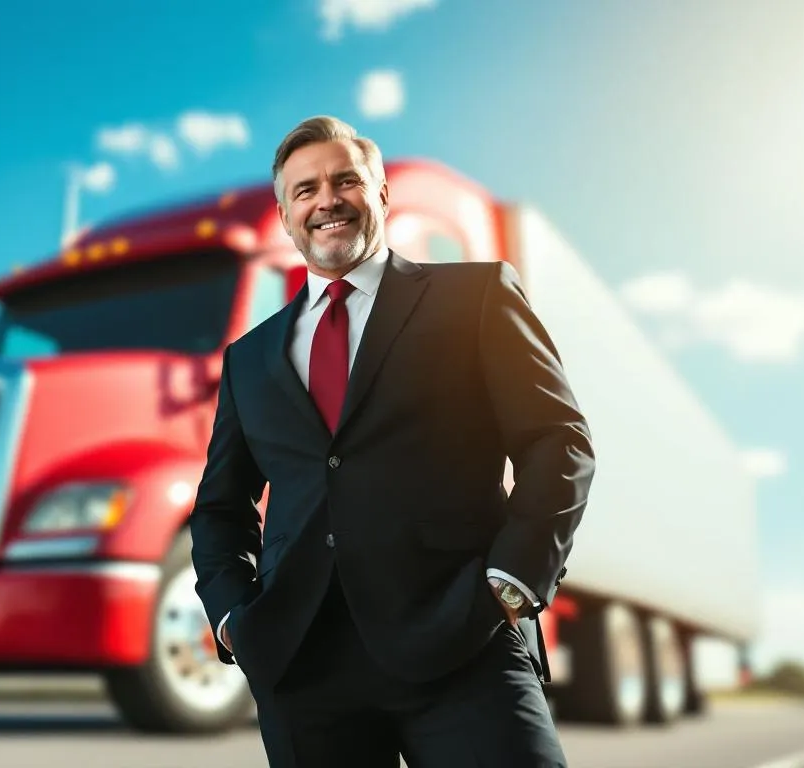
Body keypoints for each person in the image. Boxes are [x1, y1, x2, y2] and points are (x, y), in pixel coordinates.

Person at [188, 115, 595, 767]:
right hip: (303, 666)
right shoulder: (249, 358)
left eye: (345, 180)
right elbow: (220, 507)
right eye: (305, 190)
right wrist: (234, 618)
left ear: (380, 194)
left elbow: (559, 442)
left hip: (462, 641)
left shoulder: (477, 297)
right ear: (286, 217)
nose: (327, 200)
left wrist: (512, 582)